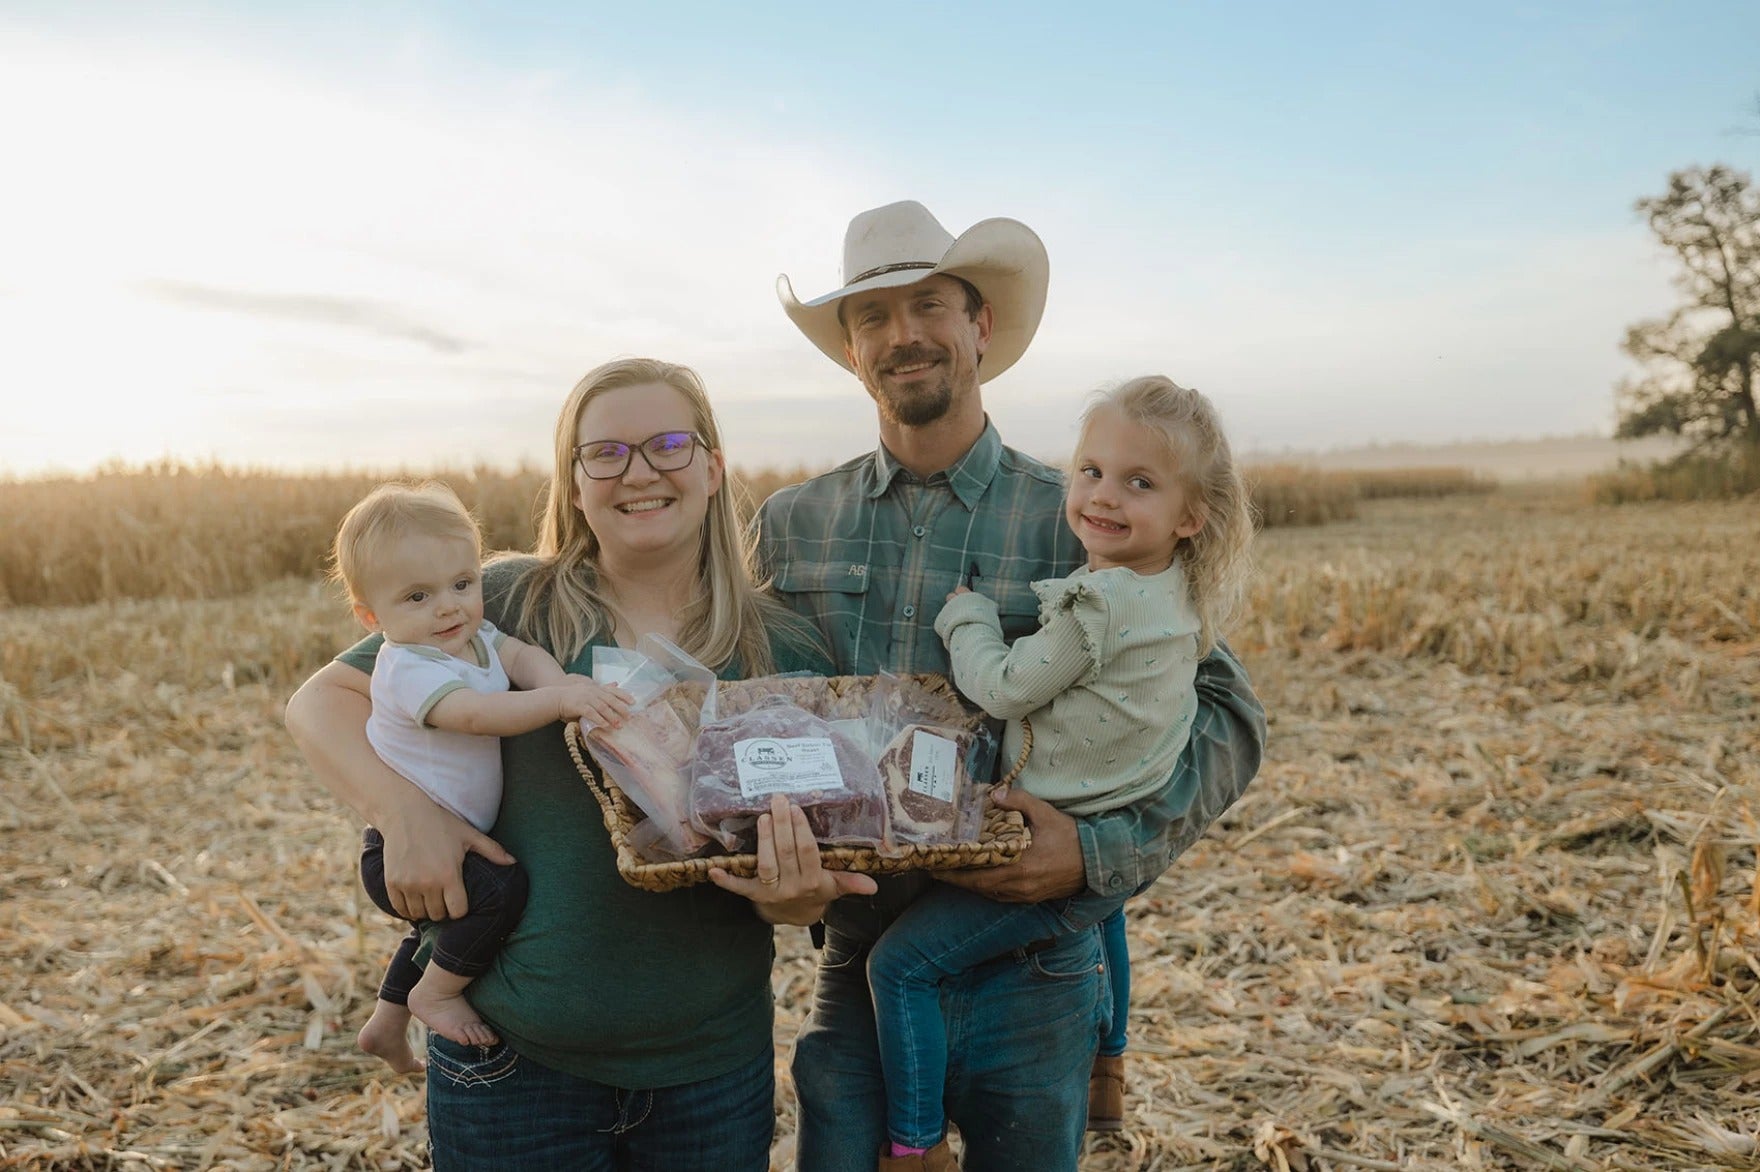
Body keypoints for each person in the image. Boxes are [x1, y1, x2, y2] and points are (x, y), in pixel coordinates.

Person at [757, 201, 1268, 1172]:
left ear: (978, 326)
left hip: (1032, 963)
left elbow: (1226, 717)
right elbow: (759, 715)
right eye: (871, 316)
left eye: (928, 305)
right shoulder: (793, 522)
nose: (902, 334)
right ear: (851, 351)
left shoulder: (1085, 512)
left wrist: (1093, 848)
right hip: (862, 953)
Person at [284, 358, 875, 1172]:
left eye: (669, 443)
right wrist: (404, 814)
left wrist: (795, 895)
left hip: (709, 1074)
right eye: (607, 453)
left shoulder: (783, 647)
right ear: (575, 480)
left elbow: (802, 862)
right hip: (513, 1064)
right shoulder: (502, 604)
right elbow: (320, 704)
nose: (639, 472)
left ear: (713, 465)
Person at [863, 375, 1254, 1161]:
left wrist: (966, 616)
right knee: (1104, 906)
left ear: (1190, 516)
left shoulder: (1099, 601)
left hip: (1044, 838)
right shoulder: (1174, 591)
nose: (1104, 496)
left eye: (1138, 483)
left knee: (899, 966)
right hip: (1110, 806)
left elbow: (1008, 687)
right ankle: (1109, 1060)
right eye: (1093, 471)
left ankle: (913, 1148)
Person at [327, 481, 633, 1072]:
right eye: (418, 596)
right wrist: (558, 706)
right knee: (498, 892)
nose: (448, 606)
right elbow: (472, 714)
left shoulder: (474, 638)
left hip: (446, 835)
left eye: (462, 585)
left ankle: (387, 1022)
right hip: (402, 845)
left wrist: (560, 683)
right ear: (371, 617)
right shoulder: (408, 666)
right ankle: (434, 995)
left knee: (441, 927)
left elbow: (520, 657)